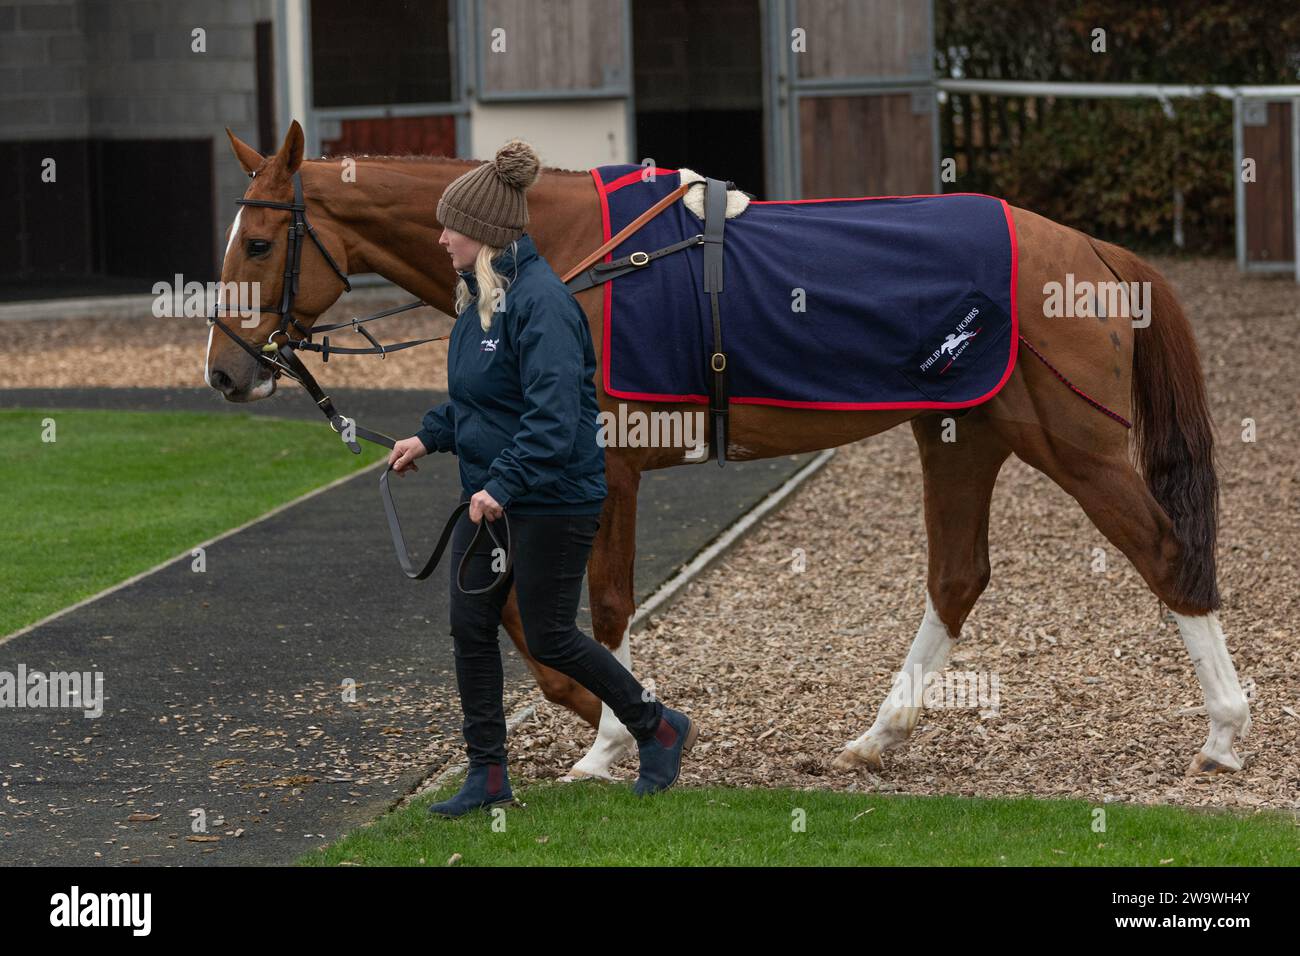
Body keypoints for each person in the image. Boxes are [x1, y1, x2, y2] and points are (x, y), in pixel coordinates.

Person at [387, 139, 698, 817]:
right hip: (500, 496)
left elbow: (554, 419)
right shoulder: (477, 300)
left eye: (451, 227)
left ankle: (659, 725)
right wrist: (427, 436)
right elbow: (478, 399)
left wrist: (502, 485)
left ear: (487, 234)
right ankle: (489, 775)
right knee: (470, 622)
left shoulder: (543, 305)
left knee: (553, 635)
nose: (440, 238)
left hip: (553, 497)